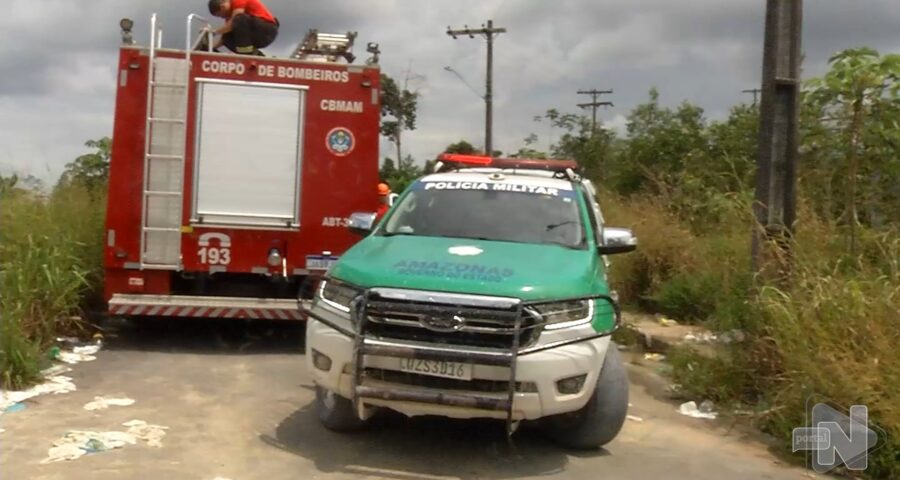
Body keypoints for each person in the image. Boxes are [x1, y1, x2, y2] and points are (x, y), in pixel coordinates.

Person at [207, 0, 279, 56]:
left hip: (267, 30)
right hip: (255, 34)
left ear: (223, 7)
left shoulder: (237, 2)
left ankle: (246, 52)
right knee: (227, 36)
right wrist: (210, 48)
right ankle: (255, 54)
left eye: (220, 15)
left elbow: (233, 23)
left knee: (239, 19)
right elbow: (223, 39)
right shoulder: (231, 18)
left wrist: (213, 32)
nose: (222, 17)